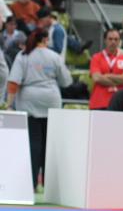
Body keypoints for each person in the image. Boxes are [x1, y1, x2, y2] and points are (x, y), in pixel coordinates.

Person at [4, 28, 72, 188]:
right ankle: (49, 185)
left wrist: (9, 104)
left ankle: (32, 183)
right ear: (46, 40)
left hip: (30, 101)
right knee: (49, 144)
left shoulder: (23, 55)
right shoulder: (54, 56)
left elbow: (13, 82)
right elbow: (66, 81)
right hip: (51, 101)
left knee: (33, 143)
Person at [89, 27, 123, 110]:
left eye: (116, 39)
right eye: (110, 39)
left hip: (121, 103)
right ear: (105, 40)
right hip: (99, 102)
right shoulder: (96, 58)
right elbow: (97, 78)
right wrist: (119, 80)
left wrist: (107, 76)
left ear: (119, 41)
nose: (113, 42)